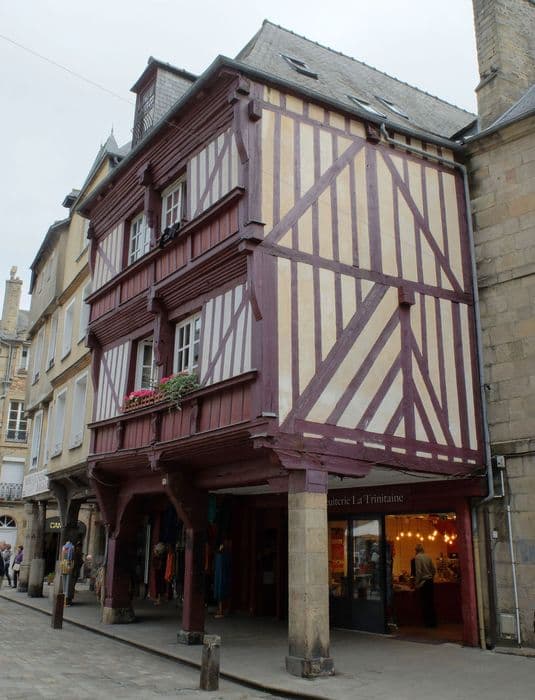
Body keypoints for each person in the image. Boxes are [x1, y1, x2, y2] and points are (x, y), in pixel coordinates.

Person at [414, 543, 436, 627]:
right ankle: (433, 622)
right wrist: (431, 576)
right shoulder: (428, 557)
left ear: (416, 550)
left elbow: (418, 571)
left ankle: (427, 622)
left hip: (423, 582)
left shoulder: (417, 558)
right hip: (430, 581)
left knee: (425, 603)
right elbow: (433, 570)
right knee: (431, 602)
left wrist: (417, 583)